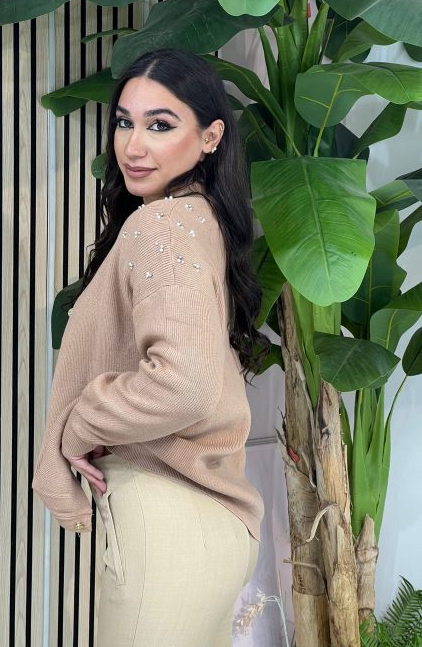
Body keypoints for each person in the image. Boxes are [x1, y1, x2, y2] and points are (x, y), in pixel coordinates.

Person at [32, 48, 269, 646]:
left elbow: (184, 382)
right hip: (212, 526)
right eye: (124, 122)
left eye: (160, 125)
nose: (133, 146)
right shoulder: (201, 221)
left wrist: (82, 421)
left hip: (166, 523)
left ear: (211, 136)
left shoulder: (160, 226)